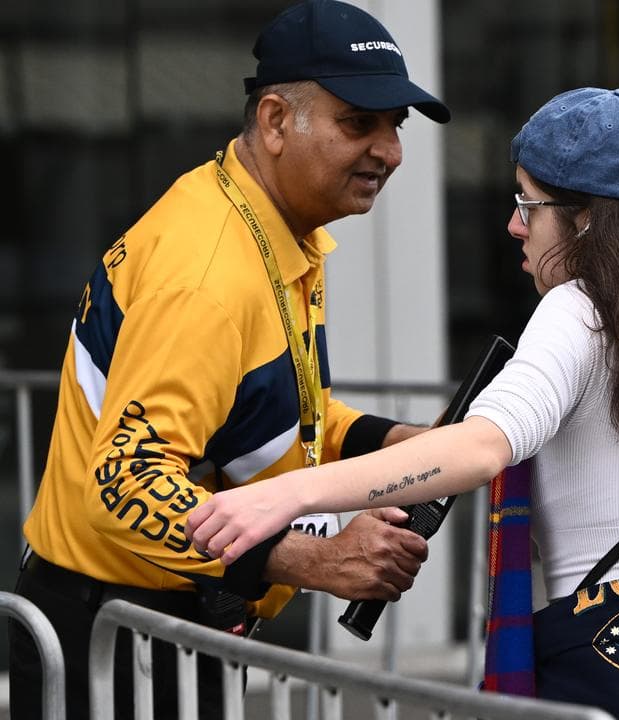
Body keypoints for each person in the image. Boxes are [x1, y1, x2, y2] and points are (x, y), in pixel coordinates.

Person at [186, 87, 619, 720]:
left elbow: (482, 447)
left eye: (528, 203)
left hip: (614, 682)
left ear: (590, 221)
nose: (515, 226)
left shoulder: (576, 311)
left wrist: (289, 497)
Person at [9, 2, 450, 718]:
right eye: (358, 123)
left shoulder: (272, 223)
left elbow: (272, 412)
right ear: (275, 121)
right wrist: (316, 559)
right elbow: (125, 483)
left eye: (396, 125)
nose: (390, 151)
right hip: (115, 641)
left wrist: (403, 446)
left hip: (168, 629)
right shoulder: (209, 273)